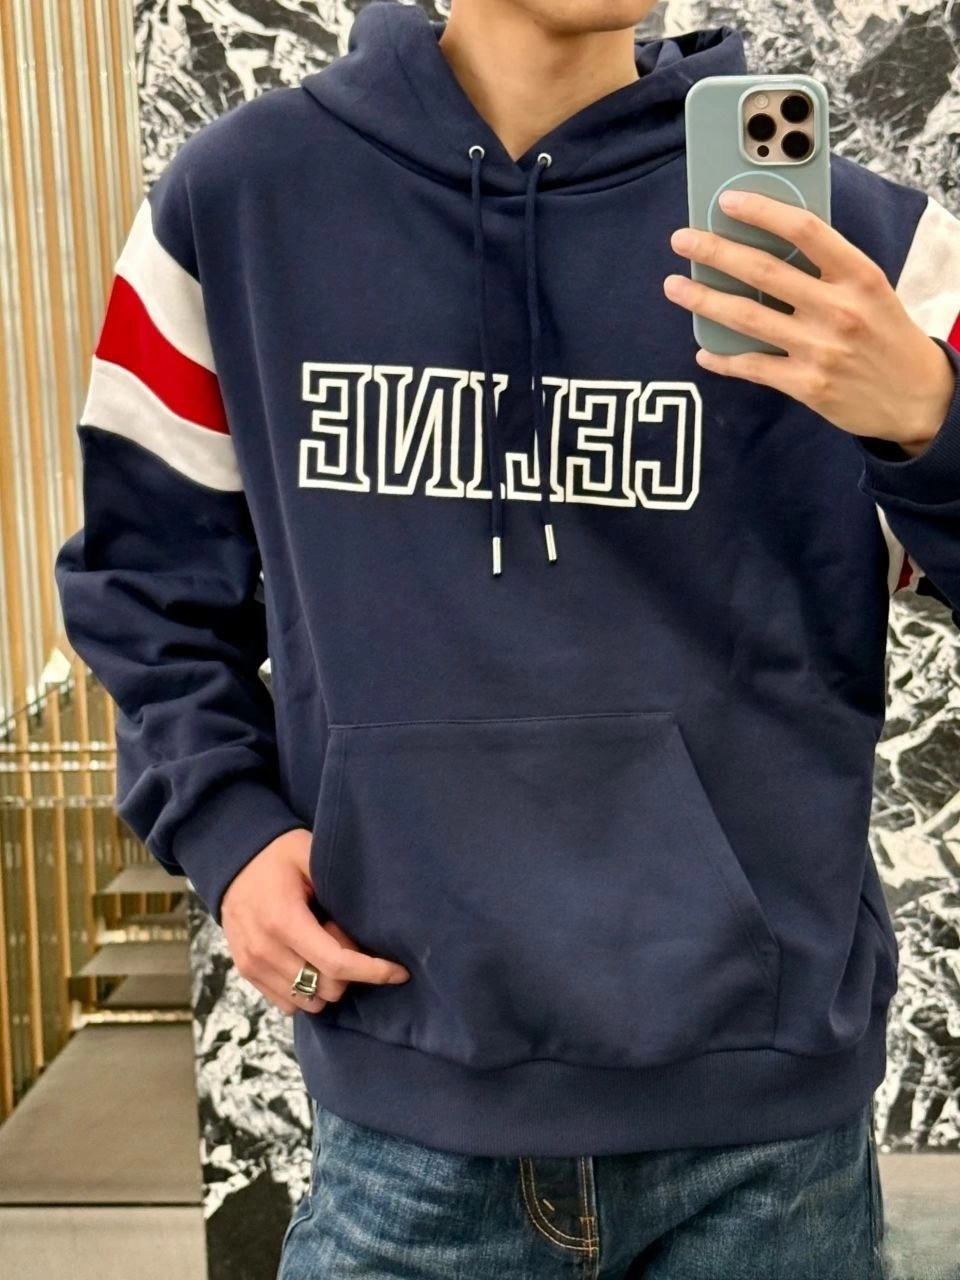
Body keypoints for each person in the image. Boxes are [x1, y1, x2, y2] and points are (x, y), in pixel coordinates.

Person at [53, 0, 960, 1275]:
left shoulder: (856, 246)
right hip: (405, 1119)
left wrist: (930, 420)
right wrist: (229, 831)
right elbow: (144, 582)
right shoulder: (237, 204)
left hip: (765, 1157)